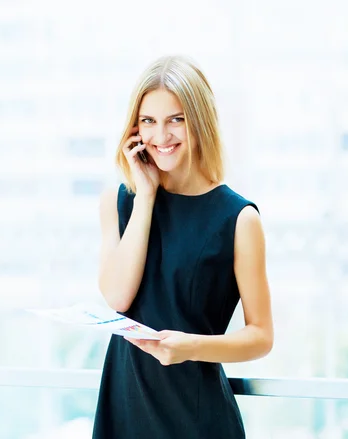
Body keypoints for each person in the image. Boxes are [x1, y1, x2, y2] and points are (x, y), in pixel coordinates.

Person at [92, 55, 274, 439]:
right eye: (148, 121)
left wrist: (191, 347)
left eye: (176, 119)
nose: (161, 136)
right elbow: (117, 298)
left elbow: (260, 335)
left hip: (196, 418)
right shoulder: (119, 202)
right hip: (123, 410)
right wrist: (145, 195)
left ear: (200, 121)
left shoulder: (238, 219)